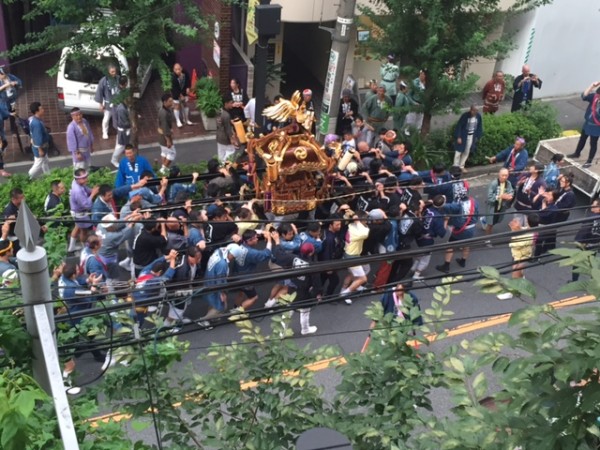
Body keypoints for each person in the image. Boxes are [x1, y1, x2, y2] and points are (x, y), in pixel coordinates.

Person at [131, 250, 178, 326]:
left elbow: (155, 261)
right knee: (137, 322)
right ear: (160, 272)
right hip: (140, 305)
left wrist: (169, 256)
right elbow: (168, 275)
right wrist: (173, 259)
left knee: (132, 319)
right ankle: (137, 331)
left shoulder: (144, 271)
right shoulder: (154, 281)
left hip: (133, 298)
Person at [435, 193, 479, 273]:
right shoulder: (474, 202)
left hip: (461, 230)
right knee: (466, 245)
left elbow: (446, 207)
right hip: (471, 228)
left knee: (450, 246)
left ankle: (446, 265)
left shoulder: (459, 206)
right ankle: (463, 261)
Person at [497, 217, 535, 300]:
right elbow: (522, 230)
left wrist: (515, 231)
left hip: (521, 256)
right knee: (517, 270)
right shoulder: (528, 230)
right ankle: (521, 278)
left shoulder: (530, 235)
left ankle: (511, 292)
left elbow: (515, 245)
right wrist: (517, 230)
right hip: (518, 255)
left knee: (515, 270)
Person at [340, 210, 370, 305]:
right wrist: (358, 221)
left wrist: (357, 220)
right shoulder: (357, 231)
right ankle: (346, 293)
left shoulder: (351, 225)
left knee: (352, 275)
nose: (367, 222)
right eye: (365, 220)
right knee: (363, 278)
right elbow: (365, 233)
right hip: (352, 257)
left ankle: (343, 290)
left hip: (348, 254)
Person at [568, 82, 600, 168]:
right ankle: (577, 153)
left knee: (593, 143)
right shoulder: (595, 97)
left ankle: (589, 161)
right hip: (587, 123)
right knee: (582, 139)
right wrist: (592, 86)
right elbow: (584, 96)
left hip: (596, 126)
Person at [69, 169, 100, 252]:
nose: (86, 179)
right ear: (77, 179)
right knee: (84, 231)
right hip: (80, 213)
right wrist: (93, 194)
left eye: (86, 177)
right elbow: (86, 205)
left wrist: (92, 191)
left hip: (75, 211)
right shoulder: (78, 191)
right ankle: (84, 248)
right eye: (83, 178)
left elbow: (86, 189)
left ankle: (71, 247)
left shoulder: (76, 182)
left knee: (77, 227)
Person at [572, 198, 600, 281]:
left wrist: (578, 241)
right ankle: (593, 281)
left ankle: (574, 280)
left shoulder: (591, 218)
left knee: (577, 263)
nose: (592, 206)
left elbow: (584, 231)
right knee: (593, 264)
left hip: (585, 244)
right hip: (595, 245)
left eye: (594, 205)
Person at [483, 168, 514, 237]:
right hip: (492, 207)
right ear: (499, 175)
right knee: (490, 224)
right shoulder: (493, 184)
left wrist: (510, 196)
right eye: (503, 175)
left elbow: (511, 191)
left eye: (506, 175)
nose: (504, 177)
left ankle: (484, 220)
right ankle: (487, 238)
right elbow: (489, 197)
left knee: (496, 220)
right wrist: (500, 196)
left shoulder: (508, 183)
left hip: (500, 206)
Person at [453, 105, 483, 171]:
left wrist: (478, 136)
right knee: (458, 151)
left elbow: (479, 127)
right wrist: (458, 136)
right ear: (471, 110)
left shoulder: (478, 116)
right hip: (463, 136)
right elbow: (459, 126)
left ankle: (461, 166)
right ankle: (455, 166)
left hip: (471, 136)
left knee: (467, 151)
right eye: (473, 110)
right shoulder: (465, 116)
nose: (474, 112)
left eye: (476, 111)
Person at [94, 64, 120, 140]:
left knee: (118, 118)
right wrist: (100, 104)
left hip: (117, 103)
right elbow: (100, 92)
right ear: (108, 72)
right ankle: (104, 132)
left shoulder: (118, 79)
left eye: (115, 71)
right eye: (112, 72)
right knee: (106, 119)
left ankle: (119, 131)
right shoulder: (103, 81)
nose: (114, 73)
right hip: (108, 103)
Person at [111, 75, 131, 167]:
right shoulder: (122, 108)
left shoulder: (117, 91)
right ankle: (114, 159)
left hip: (120, 123)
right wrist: (132, 124)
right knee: (120, 145)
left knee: (122, 144)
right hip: (123, 128)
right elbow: (124, 122)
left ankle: (125, 157)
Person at [28, 101, 51, 179]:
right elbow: (38, 138)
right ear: (37, 111)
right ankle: (28, 178)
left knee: (45, 161)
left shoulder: (33, 120)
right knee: (38, 165)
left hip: (41, 146)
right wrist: (40, 149)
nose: (43, 110)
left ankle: (48, 176)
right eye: (41, 109)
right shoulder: (36, 123)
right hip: (40, 147)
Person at [158, 92, 176, 175]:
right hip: (165, 137)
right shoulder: (164, 113)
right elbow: (165, 128)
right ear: (164, 102)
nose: (172, 103)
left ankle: (164, 169)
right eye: (170, 101)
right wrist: (168, 140)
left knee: (165, 152)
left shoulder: (164, 109)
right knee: (172, 153)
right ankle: (163, 170)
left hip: (161, 136)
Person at [171, 63, 193, 128]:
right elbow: (175, 88)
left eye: (179, 69)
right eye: (176, 69)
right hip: (176, 93)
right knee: (177, 106)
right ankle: (178, 120)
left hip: (184, 92)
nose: (178, 71)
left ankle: (186, 119)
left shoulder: (185, 73)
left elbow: (188, 81)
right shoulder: (173, 78)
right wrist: (180, 95)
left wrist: (188, 87)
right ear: (174, 70)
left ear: (181, 68)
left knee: (185, 104)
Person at [216, 96, 236, 162]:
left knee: (221, 156)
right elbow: (228, 129)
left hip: (219, 137)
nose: (232, 105)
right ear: (226, 103)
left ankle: (221, 168)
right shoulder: (226, 115)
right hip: (226, 139)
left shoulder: (219, 111)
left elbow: (222, 122)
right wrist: (232, 139)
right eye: (231, 103)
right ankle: (226, 167)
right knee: (231, 153)